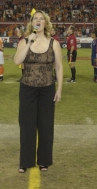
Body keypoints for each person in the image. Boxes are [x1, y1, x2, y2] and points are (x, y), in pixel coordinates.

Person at [14, 10, 63, 173]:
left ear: (46, 23)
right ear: (32, 22)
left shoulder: (53, 43)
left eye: (42, 19)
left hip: (47, 89)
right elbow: (16, 61)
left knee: (46, 126)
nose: (39, 21)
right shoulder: (24, 41)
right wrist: (29, 42)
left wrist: (59, 89)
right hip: (27, 88)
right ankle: (25, 161)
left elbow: (59, 67)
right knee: (27, 125)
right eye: (36, 18)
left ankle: (44, 161)